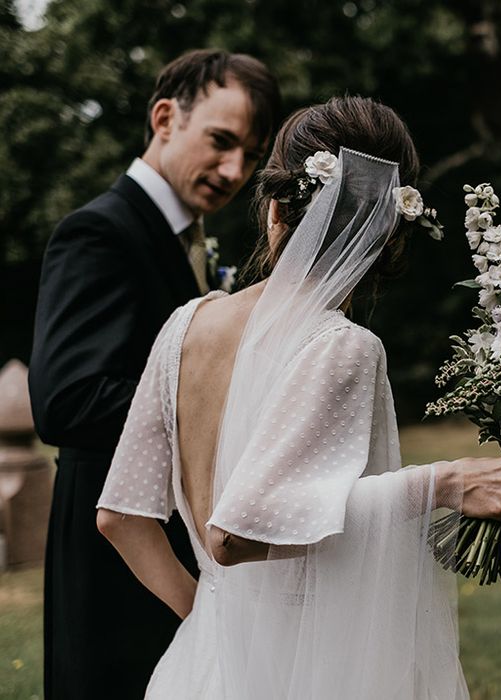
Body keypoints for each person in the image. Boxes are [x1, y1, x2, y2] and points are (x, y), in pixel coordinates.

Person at [96, 96, 501, 699]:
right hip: (304, 668)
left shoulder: (186, 325)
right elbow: (233, 535)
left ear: (275, 209)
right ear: (390, 231)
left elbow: (121, 517)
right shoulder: (341, 345)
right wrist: (441, 485)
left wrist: (210, 623)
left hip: (198, 670)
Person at [28, 49, 280, 700]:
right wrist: (229, 404)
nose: (233, 172)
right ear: (165, 117)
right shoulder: (99, 233)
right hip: (112, 558)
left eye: (250, 157)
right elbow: (66, 399)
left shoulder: (184, 239)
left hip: (172, 541)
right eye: (221, 143)